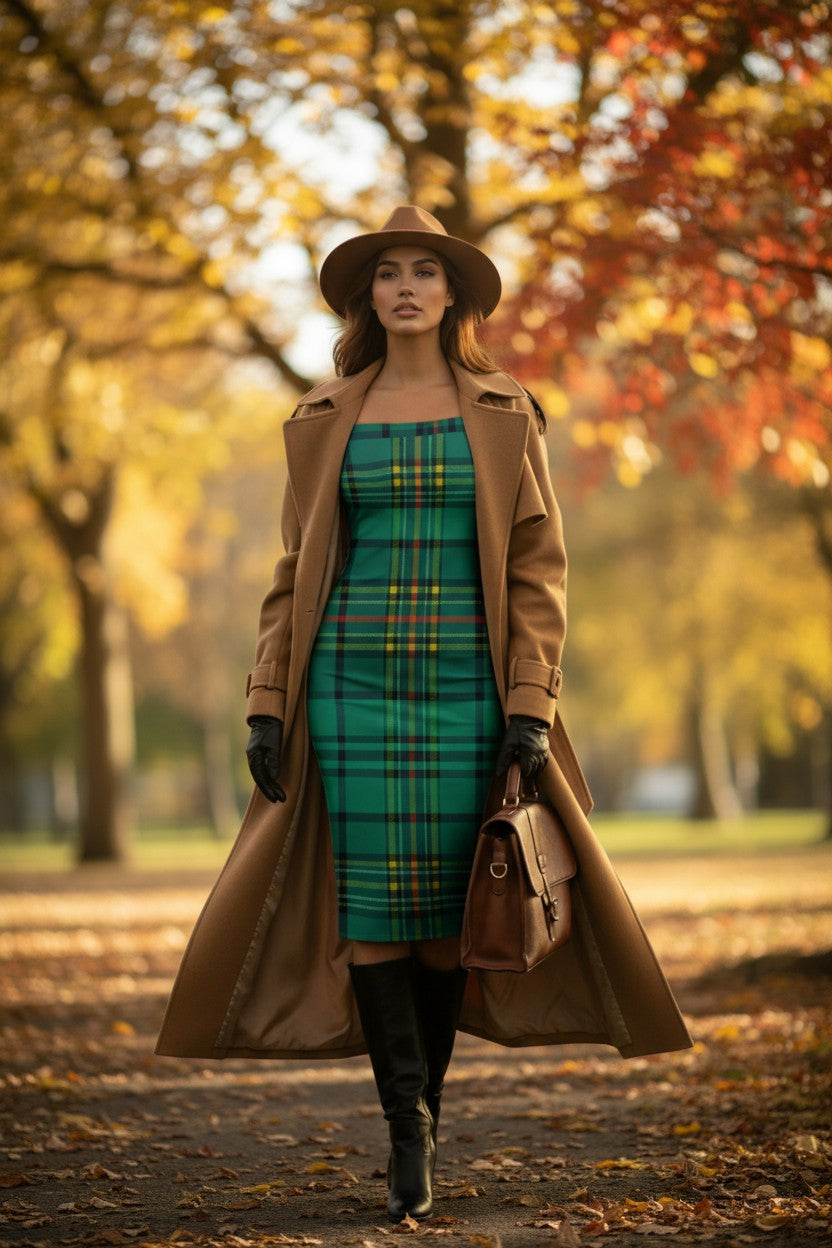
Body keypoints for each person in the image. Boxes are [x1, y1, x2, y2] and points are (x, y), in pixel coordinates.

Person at [155, 206, 691, 1225]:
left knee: (449, 924)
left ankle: (428, 1113)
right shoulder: (322, 418)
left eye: (424, 272)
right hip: (348, 688)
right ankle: (406, 1124)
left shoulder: (503, 411)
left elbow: (539, 570)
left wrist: (529, 708)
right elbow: (289, 573)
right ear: (368, 298)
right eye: (388, 274)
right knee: (370, 920)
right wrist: (268, 705)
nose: (405, 287)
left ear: (454, 296)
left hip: (465, 691)